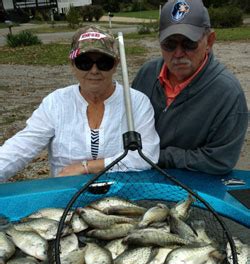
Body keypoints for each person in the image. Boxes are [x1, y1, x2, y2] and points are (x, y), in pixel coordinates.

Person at [0, 26, 160, 182]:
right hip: (67, 193)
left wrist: (86, 167)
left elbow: (146, 156)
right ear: (72, 64)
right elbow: (21, 147)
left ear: (116, 65)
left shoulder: (137, 102)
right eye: (84, 62)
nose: (94, 70)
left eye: (104, 62)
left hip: (121, 194)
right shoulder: (55, 103)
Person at [132, 0, 248, 175]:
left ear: (209, 41)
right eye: (169, 44)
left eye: (189, 43)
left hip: (194, 183)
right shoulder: (146, 74)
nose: (178, 53)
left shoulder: (228, 94)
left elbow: (220, 160)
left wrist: (157, 156)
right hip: (139, 174)